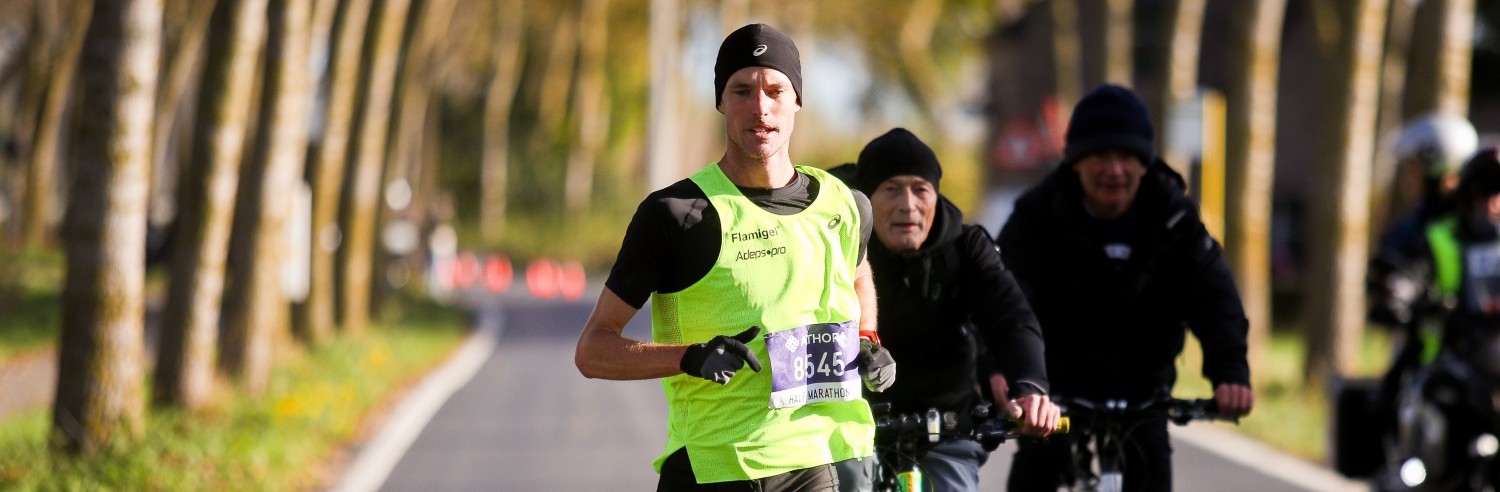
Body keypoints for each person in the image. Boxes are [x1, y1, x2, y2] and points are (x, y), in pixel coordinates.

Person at [574, 23, 895, 491]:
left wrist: (866, 337)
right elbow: (593, 351)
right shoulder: (679, 214)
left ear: (797, 100)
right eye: (742, 91)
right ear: (721, 102)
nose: (760, 107)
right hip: (715, 466)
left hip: (813, 462)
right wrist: (689, 357)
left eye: (775, 91)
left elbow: (858, 272)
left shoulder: (844, 205)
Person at [997, 84, 1254, 492]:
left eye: (1127, 156)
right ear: (1076, 162)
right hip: (1055, 391)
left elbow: (1214, 297)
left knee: (1150, 468)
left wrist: (1231, 374)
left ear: (1145, 163)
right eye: (1100, 155)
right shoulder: (1036, 216)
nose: (1114, 170)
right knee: (1036, 468)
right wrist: (1002, 372)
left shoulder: (1175, 217)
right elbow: (1003, 303)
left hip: (1143, 391)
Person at [834, 128, 1059, 492]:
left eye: (921, 190)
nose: (908, 205)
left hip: (949, 427)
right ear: (866, 199)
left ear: (936, 197)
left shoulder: (967, 247)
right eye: (891, 189)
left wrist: (1030, 386)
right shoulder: (834, 245)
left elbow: (1010, 318)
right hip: (852, 426)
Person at [1367, 147, 1500, 489]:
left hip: (1494, 364)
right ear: (1469, 196)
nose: (1494, 205)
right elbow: (1410, 270)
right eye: (1487, 194)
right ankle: (1396, 469)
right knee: (1399, 393)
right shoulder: (1440, 235)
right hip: (1446, 358)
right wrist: (1399, 293)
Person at [1368, 113, 1479, 329]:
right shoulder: (1418, 221)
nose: (1407, 179)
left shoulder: (1430, 228)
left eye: (1412, 167)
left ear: (1436, 167)